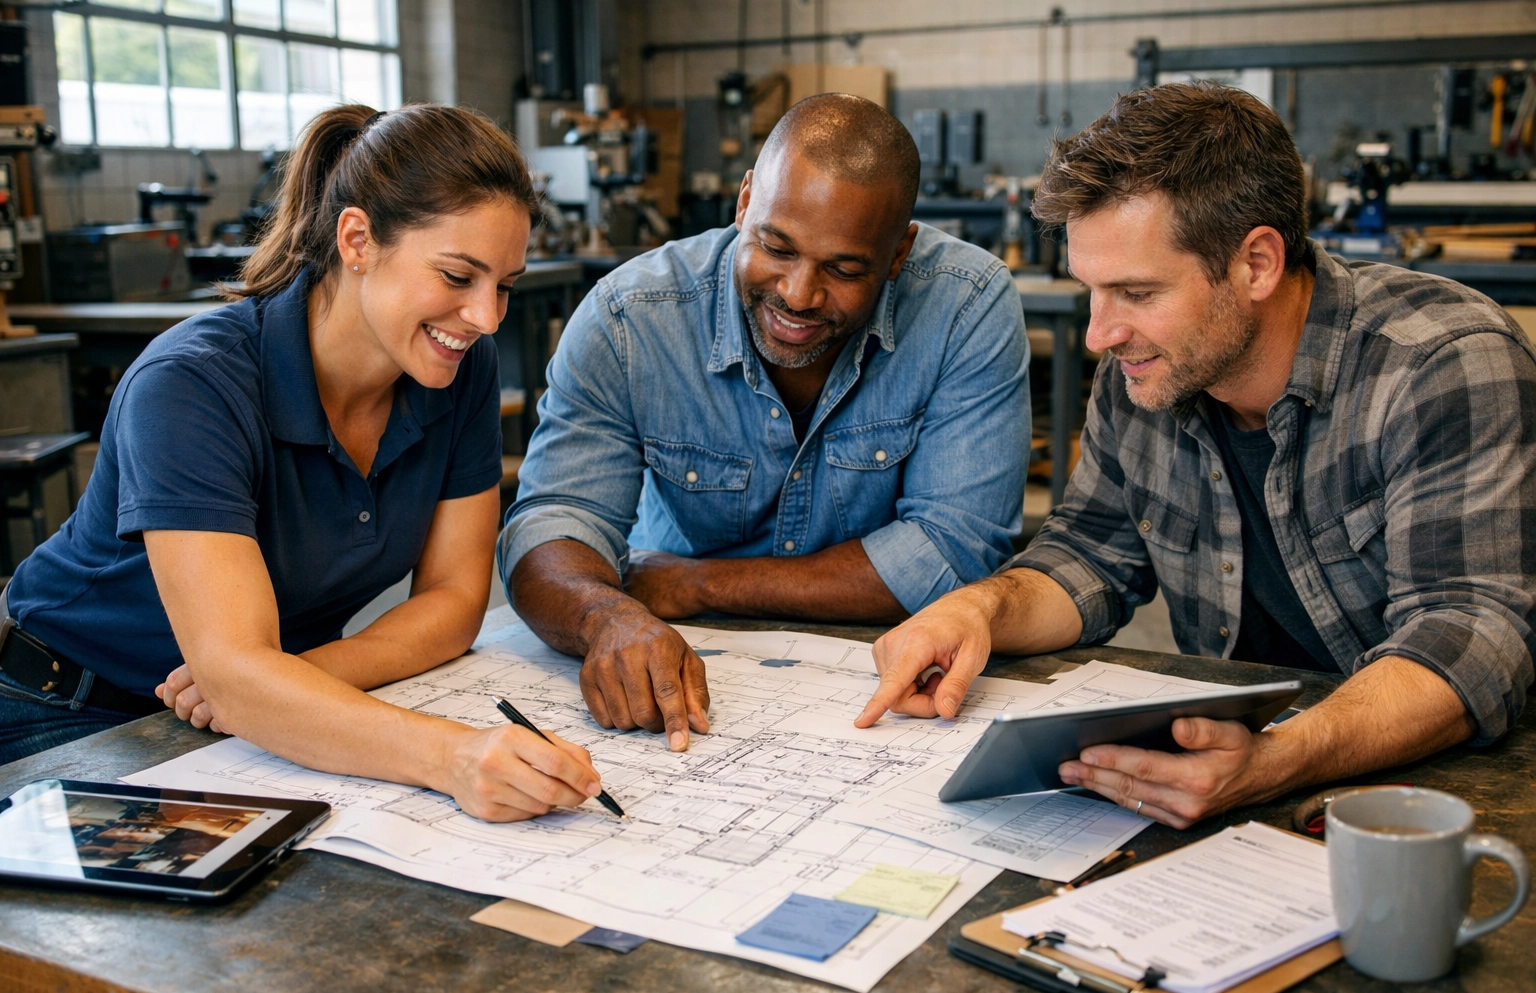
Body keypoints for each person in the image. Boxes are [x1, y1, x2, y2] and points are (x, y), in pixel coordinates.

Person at [857, 82, 1536, 828]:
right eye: (1092, 291)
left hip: (1439, 794)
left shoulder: (1440, 364)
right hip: (1243, 771)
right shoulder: (1143, 377)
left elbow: (1469, 637)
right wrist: (978, 608)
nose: (1099, 335)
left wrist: (1274, 761)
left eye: (1136, 292)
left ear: (1257, 264)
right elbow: (1090, 556)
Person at [0, 104, 602, 822]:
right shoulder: (192, 385)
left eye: (503, 284)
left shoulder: (458, 369)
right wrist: (450, 756)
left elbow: (453, 602)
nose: (487, 316)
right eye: (456, 275)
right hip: (73, 715)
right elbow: (236, 670)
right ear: (357, 240)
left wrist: (277, 684)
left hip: (259, 709)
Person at [503, 94, 1029, 753]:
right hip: (669, 648)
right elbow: (551, 524)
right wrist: (605, 616)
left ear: (898, 254)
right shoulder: (630, 318)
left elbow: (952, 552)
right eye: (776, 248)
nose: (798, 294)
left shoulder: (965, 306)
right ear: (745, 201)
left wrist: (696, 584)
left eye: (844, 269)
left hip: (888, 672)